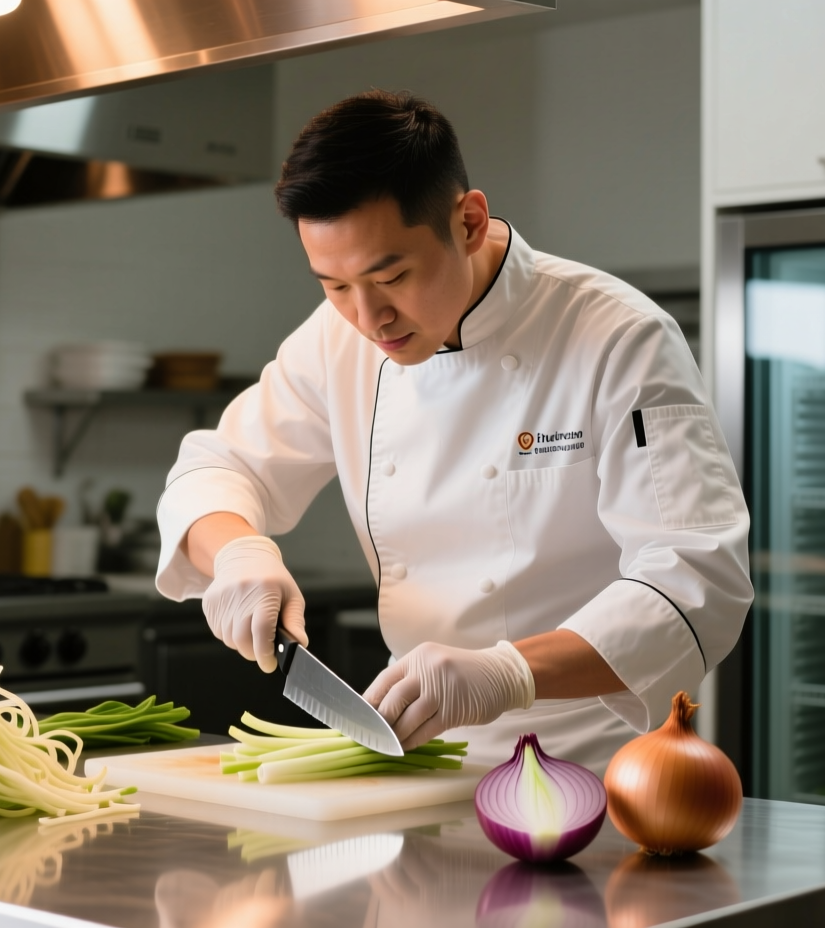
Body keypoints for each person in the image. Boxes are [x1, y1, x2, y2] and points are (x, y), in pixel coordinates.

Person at [155, 90, 751, 772]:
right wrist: (237, 554)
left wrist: (509, 674)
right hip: (411, 758)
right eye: (334, 285)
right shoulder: (337, 341)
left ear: (468, 222)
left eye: (393, 275)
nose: (369, 318)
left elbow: (698, 583)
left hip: (588, 774)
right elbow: (218, 467)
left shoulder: (617, 336)